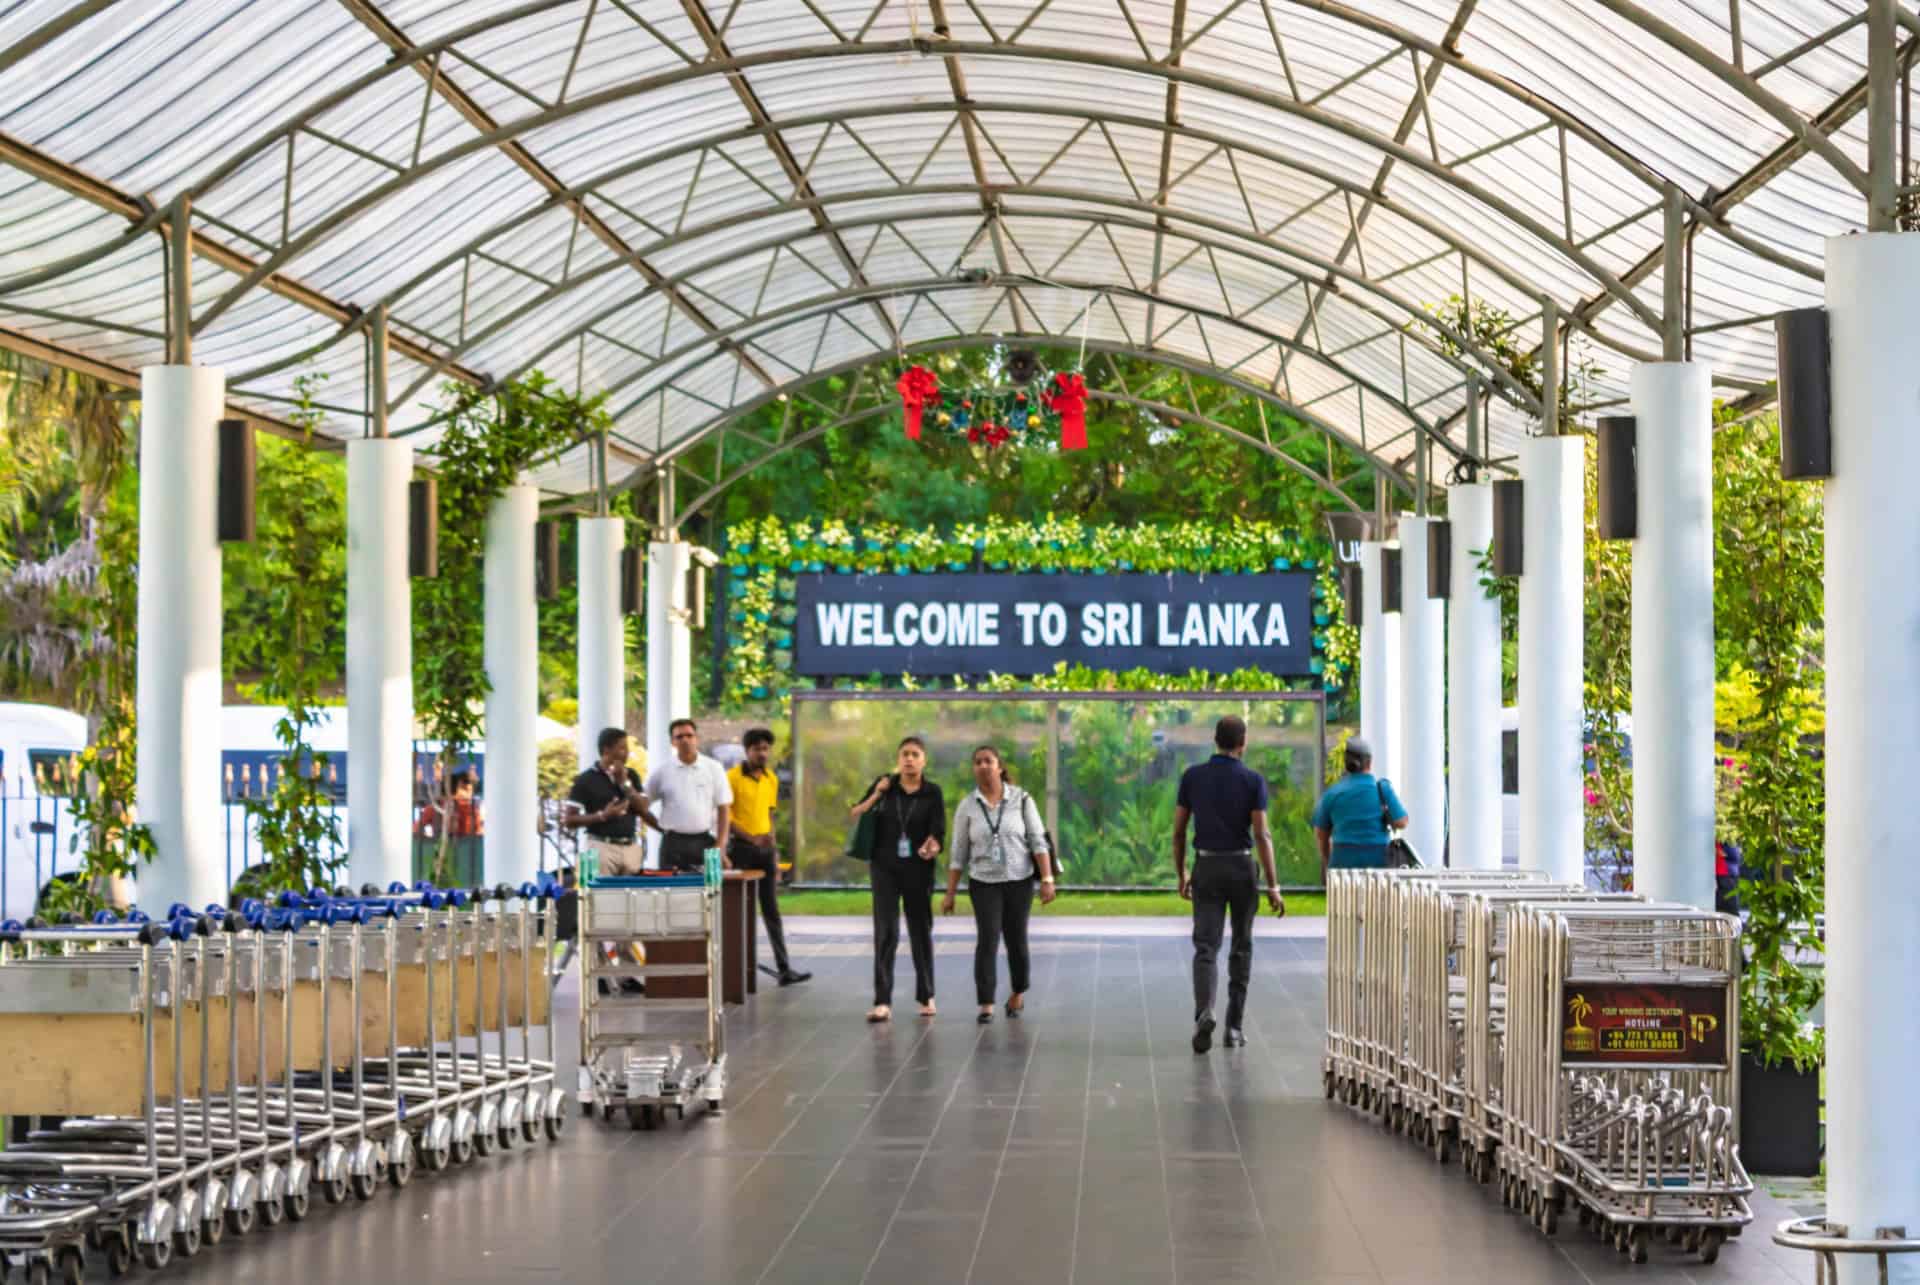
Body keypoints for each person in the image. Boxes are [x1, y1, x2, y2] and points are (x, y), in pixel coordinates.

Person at [1173, 715, 1283, 1054]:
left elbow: (1179, 832)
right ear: (1242, 742)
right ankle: (1234, 1027)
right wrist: (1274, 884)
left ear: (1215, 740)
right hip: (1241, 866)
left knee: (1206, 946)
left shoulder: (1193, 777)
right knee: (1241, 945)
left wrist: (1182, 873)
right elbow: (1262, 834)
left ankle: (1205, 1011)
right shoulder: (1252, 781)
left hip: (1206, 865)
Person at [941, 745, 1055, 1024]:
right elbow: (958, 852)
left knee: (1017, 940)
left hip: (1019, 880)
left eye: (988, 761)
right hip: (984, 882)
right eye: (977, 762)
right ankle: (986, 1002)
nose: (983, 766)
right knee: (987, 940)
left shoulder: (1022, 799)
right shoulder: (967, 806)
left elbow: (1038, 840)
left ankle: (1018, 991)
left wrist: (1047, 879)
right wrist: (951, 893)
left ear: (1000, 767)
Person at [850, 736, 945, 1022]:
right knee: (886, 932)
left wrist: (932, 846)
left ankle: (926, 994)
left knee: (920, 931)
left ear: (924, 760)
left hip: (918, 868)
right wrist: (877, 794)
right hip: (884, 868)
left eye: (915, 754)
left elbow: (938, 832)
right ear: (898, 757)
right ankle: (882, 1001)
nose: (909, 759)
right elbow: (856, 812)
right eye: (905, 754)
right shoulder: (885, 785)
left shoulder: (933, 792)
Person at [563, 728, 649, 995]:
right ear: (607, 750)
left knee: (628, 912)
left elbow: (643, 809)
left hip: (629, 847)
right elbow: (569, 820)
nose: (627, 753)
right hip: (600, 846)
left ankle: (626, 975)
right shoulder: (585, 781)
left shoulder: (630, 775)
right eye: (623, 748)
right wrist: (603, 815)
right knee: (598, 911)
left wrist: (625, 785)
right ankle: (598, 973)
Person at [726, 728, 811, 987]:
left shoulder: (771, 778)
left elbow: (770, 814)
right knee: (740, 912)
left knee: (771, 910)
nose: (762, 753)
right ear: (747, 750)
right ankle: (737, 969)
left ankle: (784, 969)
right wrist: (752, 839)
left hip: (765, 851)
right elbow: (725, 818)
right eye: (757, 749)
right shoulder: (731, 778)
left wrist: (773, 849)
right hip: (740, 849)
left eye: (765, 749)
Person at [1310, 736, 1409, 877]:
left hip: (1342, 864)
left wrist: (1328, 862)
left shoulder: (1333, 793)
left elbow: (1321, 834)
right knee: (1377, 899)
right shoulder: (1382, 789)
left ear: (1346, 763)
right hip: (1378, 865)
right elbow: (1402, 822)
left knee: (1344, 899)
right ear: (1370, 762)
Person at [644, 719, 732, 873]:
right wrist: (660, 827)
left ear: (696, 738)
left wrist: (720, 846)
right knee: (670, 893)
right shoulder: (662, 771)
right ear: (672, 742)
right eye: (679, 737)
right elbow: (642, 805)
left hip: (704, 842)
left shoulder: (714, 768)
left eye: (689, 735)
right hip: (672, 844)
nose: (685, 740)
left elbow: (724, 809)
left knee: (707, 892)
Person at [414, 770, 483, 839]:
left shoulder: (473, 811)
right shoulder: (436, 808)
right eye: (463, 789)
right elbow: (416, 829)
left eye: (469, 791)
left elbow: (479, 833)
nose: (466, 794)